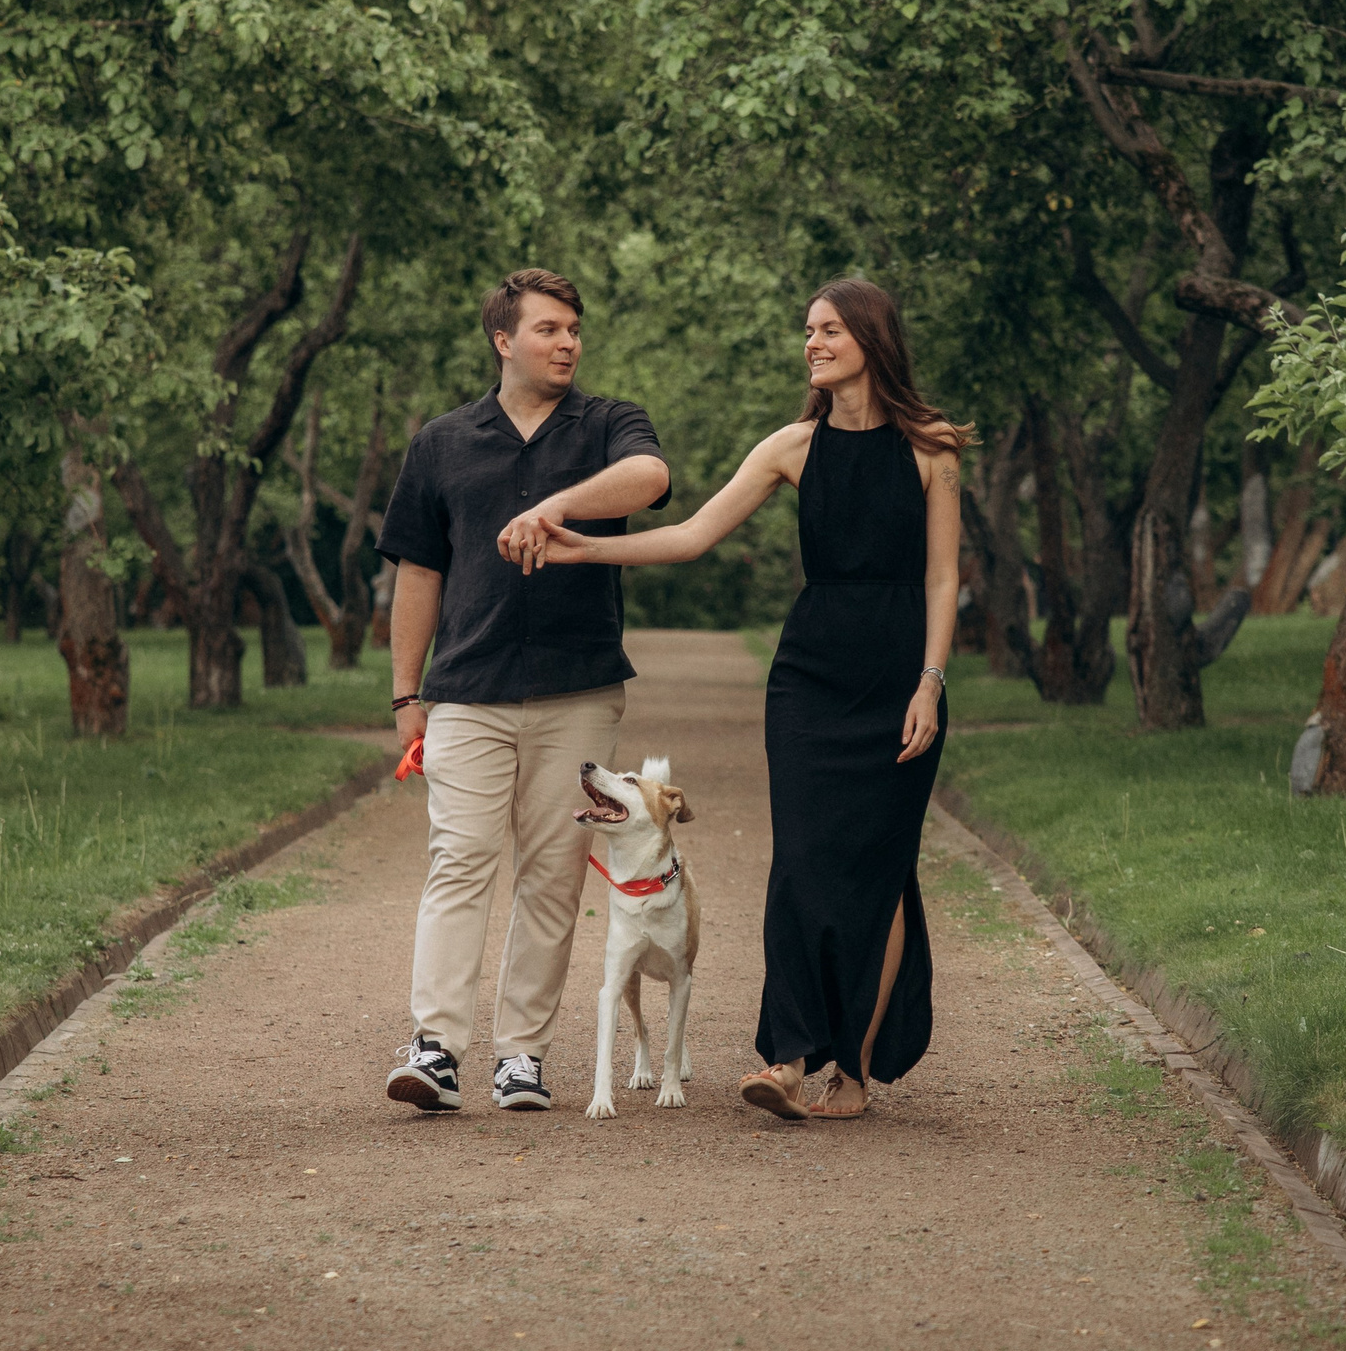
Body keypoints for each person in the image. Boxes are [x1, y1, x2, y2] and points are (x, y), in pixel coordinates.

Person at [524, 277, 965, 1120]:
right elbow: (692, 535)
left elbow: (944, 577)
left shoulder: (933, 449)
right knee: (800, 861)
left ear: (872, 336)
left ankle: (853, 1076)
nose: (814, 342)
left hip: (900, 676)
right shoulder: (790, 448)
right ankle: (789, 1059)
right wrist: (584, 550)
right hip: (809, 676)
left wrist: (930, 682)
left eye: (830, 329)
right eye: (809, 330)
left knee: (879, 873)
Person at [376, 269, 673, 1114]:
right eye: (548, 329)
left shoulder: (610, 422)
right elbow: (419, 571)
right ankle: (435, 1048)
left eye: (574, 329)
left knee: (552, 873)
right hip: (465, 688)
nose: (568, 342)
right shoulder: (441, 442)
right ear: (504, 340)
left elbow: (649, 479)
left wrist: (554, 509)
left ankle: (522, 1057)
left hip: (577, 690)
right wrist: (407, 697)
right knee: (459, 860)